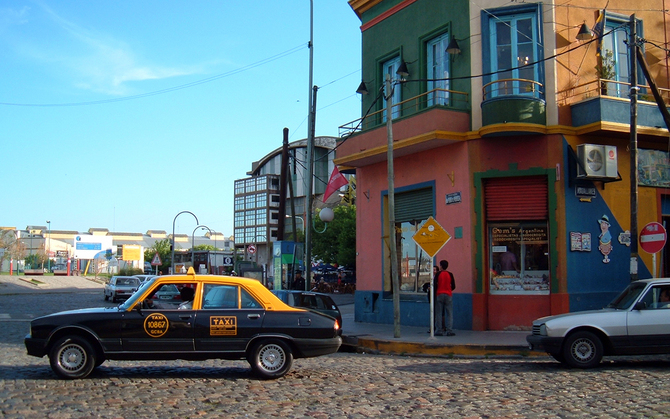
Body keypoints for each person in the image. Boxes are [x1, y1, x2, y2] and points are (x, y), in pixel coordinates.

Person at [434, 260, 455, 336]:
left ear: (441, 266)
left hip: (439, 294)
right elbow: (453, 286)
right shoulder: (450, 274)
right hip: (448, 294)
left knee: (439, 313)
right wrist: (449, 290)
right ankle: (449, 330)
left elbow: (435, 285)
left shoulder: (438, 274)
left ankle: (439, 330)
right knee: (449, 313)